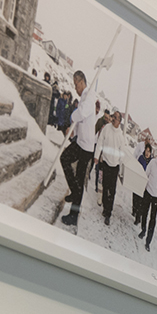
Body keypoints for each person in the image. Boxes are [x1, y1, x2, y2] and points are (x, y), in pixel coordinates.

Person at [60, 71, 98, 228]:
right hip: (81, 141)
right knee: (65, 159)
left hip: (87, 146)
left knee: (78, 176)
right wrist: (73, 130)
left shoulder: (90, 96)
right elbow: (82, 120)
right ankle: (75, 192)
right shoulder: (84, 97)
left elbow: (81, 113)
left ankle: (73, 215)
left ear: (82, 82)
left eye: (76, 84)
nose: (75, 87)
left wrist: (71, 118)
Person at [95, 111, 127, 226]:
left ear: (119, 121)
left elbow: (122, 152)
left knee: (112, 191)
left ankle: (108, 213)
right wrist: (97, 156)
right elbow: (100, 142)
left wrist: (119, 166)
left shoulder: (120, 137)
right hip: (105, 162)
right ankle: (105, 207)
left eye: (115, 118)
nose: (113, 119)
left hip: (114, 167)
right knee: (105, 186)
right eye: (113, 116)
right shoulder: (106, 128)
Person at [133, 141, 154, 224]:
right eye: (146, 151)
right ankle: (135, 212)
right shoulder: (141, 158)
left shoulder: (152, 162)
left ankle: (138, 217)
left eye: (149, 151)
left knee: (142, 201)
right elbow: (137, 167)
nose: (147, 153)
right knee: (136, 198)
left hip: (146, 184)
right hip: (139, 180)